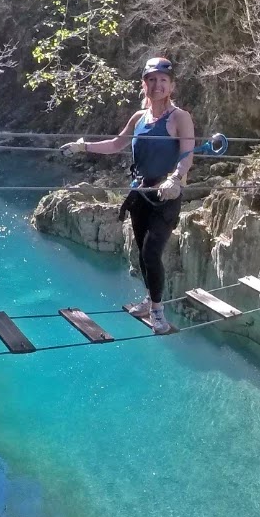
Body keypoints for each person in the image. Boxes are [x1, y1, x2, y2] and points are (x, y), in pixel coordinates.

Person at [61, 57, 195, 335]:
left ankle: (158, 311)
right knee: (141, 253)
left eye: (163, 80)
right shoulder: (139, 117)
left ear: (172, 86)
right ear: (144, 84)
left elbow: (186, 154)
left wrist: (176, 179)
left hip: (166, 194)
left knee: (151, 252)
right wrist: (82, 147)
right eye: (152, 80)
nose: (157, 85)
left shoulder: (180, 117)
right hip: (140, 194)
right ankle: (149, 300)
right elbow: (116, 145)